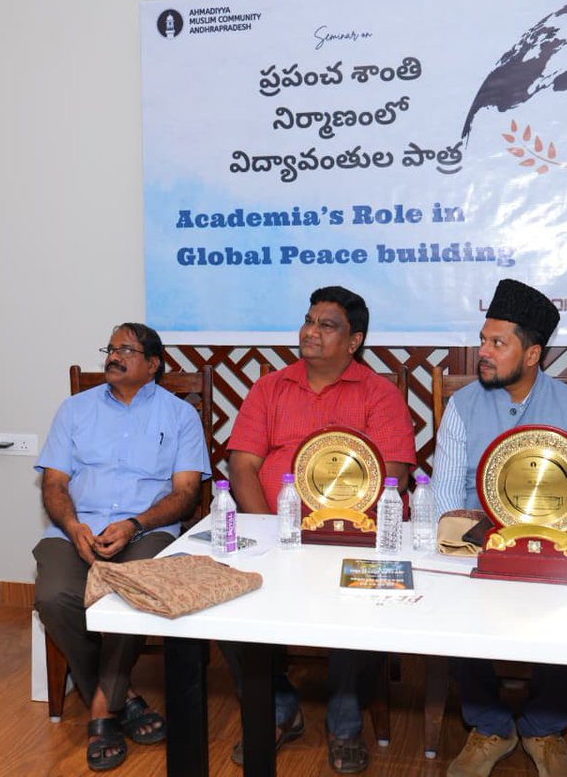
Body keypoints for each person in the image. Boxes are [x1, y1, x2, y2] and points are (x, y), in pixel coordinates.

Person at [225, 285, 417, 774]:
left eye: (326, 325)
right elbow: (243, 466)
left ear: (354, 341)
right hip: (275, 530)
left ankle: (345, 723)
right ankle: (279, 709)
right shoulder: (270, 388)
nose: (310, 331)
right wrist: (271, 531)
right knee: (224, 596)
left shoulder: (379, 394)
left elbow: (393, 475)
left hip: (351, 536)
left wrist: (334, 531)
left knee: (362, 596)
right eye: (309, 320)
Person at [433, 278, 567, 777]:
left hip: (550, 550)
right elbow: (446, 501)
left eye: (497, 343)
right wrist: (481, 546)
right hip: (475, 550)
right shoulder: (462, 406)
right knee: (454, 590)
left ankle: (544, 730)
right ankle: (489, 726)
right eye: (483, 340)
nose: (483, 352)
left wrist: (535, 548)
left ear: (532, 354)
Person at [32, 323, 210, 772]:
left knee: (132, 588)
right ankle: (121, 694)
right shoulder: (74, 409)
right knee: (53, 596)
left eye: (126, 349)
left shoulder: (180, 415)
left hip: (146, 531)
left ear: (152, 364)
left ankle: (101, 709)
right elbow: (53, 484)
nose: (113, 356)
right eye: (110, 349)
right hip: (76, 530)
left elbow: (186, 493)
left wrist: (134, 525)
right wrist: (73, 526)